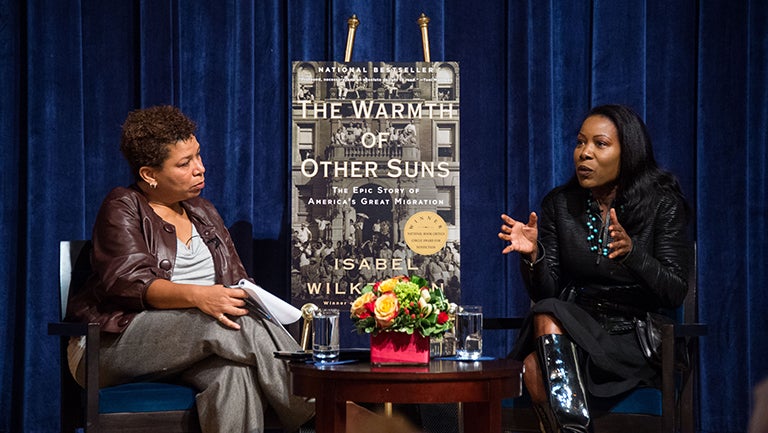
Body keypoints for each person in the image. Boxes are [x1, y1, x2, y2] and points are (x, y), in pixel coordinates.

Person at [65, 105, 314, 433]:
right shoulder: (122, 205)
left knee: (233, 374)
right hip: (112, 345)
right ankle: (318, 408)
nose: (201, 169)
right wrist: (202, 297)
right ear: (149, 175)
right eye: (185, 163)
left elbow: (236, 279)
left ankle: (317, 401)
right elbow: (129, 284)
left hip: (196, 346)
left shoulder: (203, 211)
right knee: (227, 324)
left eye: (197, 156)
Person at [497, 104, 691, 433]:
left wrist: (633, 254)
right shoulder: (559, 204)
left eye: (599, 144)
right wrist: (534, 256)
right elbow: (548, 292)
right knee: (544, 320)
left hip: (631, 339)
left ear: (628, 152)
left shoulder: (662, 203)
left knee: (534, 366)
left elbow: (674, 290)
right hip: (576, 333)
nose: (584, 153)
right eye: (580, 142)